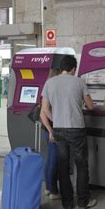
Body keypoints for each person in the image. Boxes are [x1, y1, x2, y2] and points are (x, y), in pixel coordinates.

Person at [40, 56, 97, 209]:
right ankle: (83, 201)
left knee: (63, 166)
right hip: (76, 129)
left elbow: (44, 110)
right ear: (73, 68)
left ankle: (67, 203)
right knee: (81, 165)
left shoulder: (50, 83)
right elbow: (91, 106)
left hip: (59, 130)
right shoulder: (79, 82)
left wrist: (57, 118)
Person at [42, 68, 61, 200]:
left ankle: (48, 188)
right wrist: (51, 130)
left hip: (47, 129)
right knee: (54, 160)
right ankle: (53, 191)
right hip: (52, 130)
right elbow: (43, 113)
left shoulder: (47, 88)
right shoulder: (52, 90)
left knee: (50, 160)